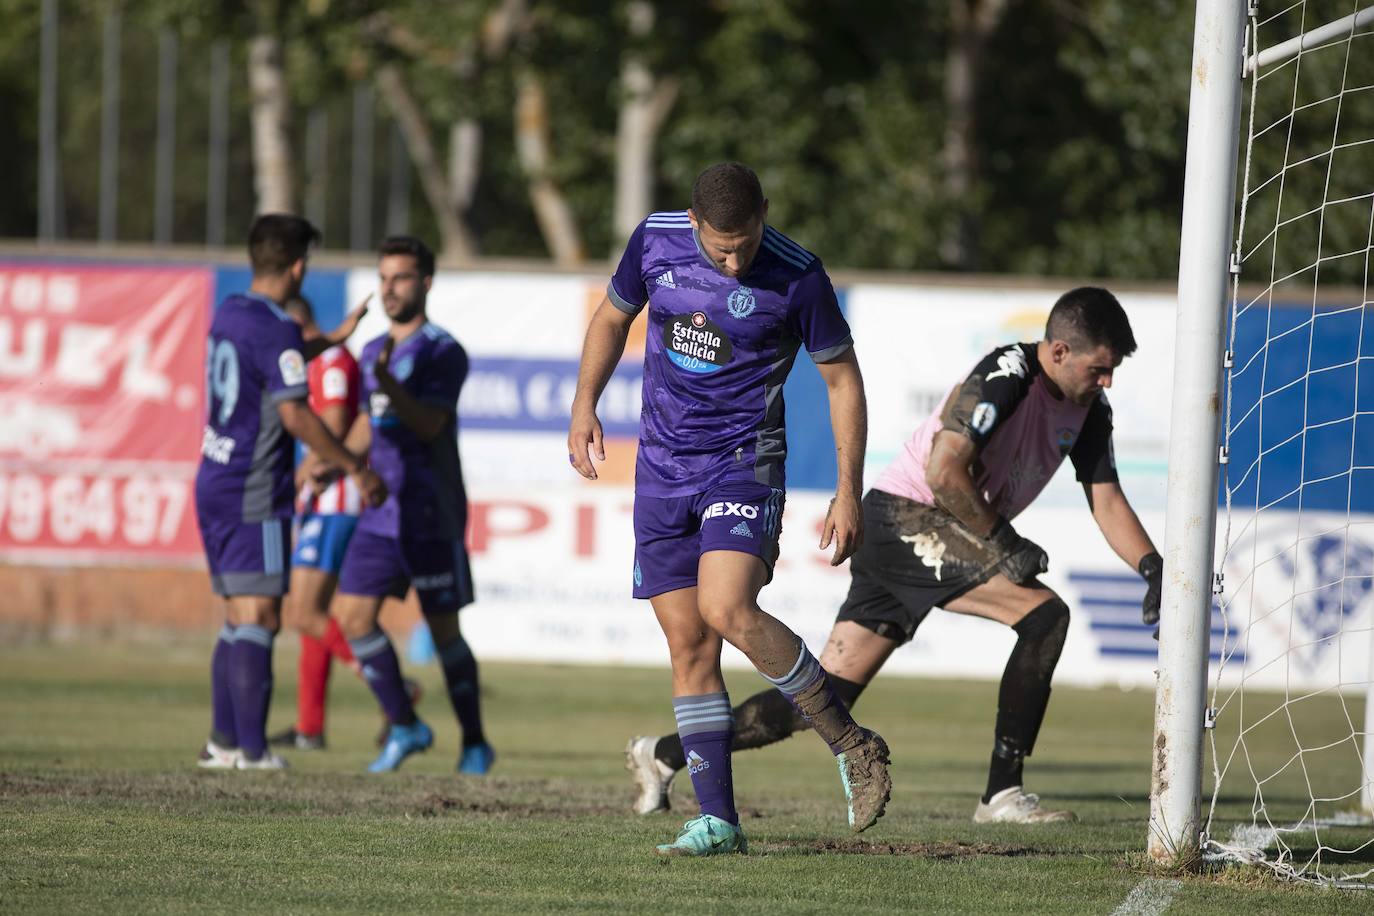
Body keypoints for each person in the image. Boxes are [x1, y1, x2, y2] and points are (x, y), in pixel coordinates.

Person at [625, 286, 1164, 824]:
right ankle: (1001, 795)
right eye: (1100, 368)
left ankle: (662, 755)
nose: (1107, 381)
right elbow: (942, 472)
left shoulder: (1090, 410)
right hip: (907, 519)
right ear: (1060, 352)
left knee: (819, 702)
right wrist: (1003, 542)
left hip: (926, 534)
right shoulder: (1007, 373)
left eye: (1113, 371)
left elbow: (1108, 500)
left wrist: (1152, 567)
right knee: (1046, 617)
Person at [569, 162, 892, 857]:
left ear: (764, 215)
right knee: (689, 646)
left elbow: (842, 381)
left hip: (742, 465)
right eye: (721, 247)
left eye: (745, 242)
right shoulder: (653, 242)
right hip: (660, 472)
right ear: (692, 225)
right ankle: (718, 821)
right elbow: (609, 318)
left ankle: (852, 744)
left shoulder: (798, 274)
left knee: (726, 609)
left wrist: (847, 489)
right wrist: (583, 405)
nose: (734, 258)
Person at [195, 214, 386, 770]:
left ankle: (223, 744)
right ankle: (253, 752)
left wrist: (330, 339)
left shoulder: (230, 312)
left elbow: (267, 361)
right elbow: (296, 414)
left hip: (213, 476)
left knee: (237, 614)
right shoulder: (278, 326)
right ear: (299, 265)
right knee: (262, 616)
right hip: (256, 486)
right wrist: (354, 464)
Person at [326, 235, 493, 775]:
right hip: (380, 513)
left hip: (430, 510)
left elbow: (427, 423)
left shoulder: (444, 350)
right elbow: (364, 429)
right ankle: (405, 725)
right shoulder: (373, 348)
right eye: (383, 278)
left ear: (425, 283)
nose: (389, 289)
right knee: (353, 618)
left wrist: (386, 385)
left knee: (444, 631)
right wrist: (327, 462)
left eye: (400, 278)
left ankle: (474, 743)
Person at [269, 296, 421, 752]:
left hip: (335, 496)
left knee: (304, 612)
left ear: (297, 323)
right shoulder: (312, 360)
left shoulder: (331, 359)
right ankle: (310, 727)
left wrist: (303, 474)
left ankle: (395, 691)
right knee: (313, 617)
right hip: (323, 497)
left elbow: (335, 421)